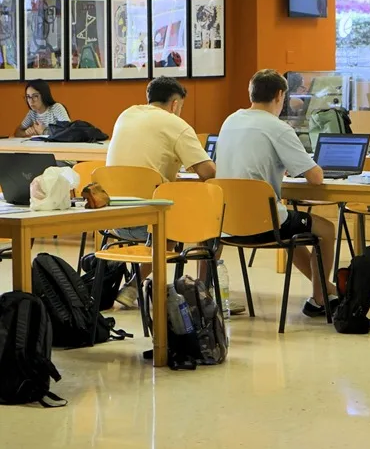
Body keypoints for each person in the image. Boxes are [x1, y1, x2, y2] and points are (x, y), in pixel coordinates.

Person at [215, 69, 338, 317]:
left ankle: (326, 290)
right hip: (264, 224)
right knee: (326, 230)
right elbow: (315, 178)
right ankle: (320, 297)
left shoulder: (230, 121)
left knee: (293, 232)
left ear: (250, 93)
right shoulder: (278, 127)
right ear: (280, 95)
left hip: (226, 223)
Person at [106, 77, 216, 307]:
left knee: (168, 215)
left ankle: (133, 285)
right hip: (149, 222)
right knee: (199, 219)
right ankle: (202, 293)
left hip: (112, 218)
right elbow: (209, 173)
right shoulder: (175, 124)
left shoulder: (126, 115)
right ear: (175, 104)